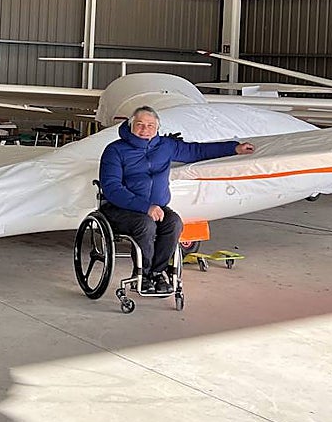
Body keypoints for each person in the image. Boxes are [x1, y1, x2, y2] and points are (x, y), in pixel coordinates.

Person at [98, 106, 255, 293]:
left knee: (174, 223)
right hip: (120, 208)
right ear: (130, 125)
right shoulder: (115, 150)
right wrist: (146, 207)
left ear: (157, 127)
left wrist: (234, 148)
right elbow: (112, 188)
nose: (145, 129)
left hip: (156, 208)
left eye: (150, 125)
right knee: (145, 224)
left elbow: (196, 151)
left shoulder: (166, 146)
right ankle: (143, 275)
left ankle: (158, 273)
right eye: (139, 124)